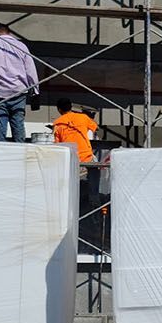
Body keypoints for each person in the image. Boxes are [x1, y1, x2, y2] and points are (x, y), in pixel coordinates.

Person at [51, 100, 107, 250]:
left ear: (59, 110)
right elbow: (96, 128)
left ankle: (68, 198)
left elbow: (58, 147)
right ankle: (94, 197)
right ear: (70, 107)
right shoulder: (82, 118)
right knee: (95, 168)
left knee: (68, 177)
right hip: (86, 156)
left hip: (71, 159)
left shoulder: (57, 124)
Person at [0, 24, 40, 141]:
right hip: (18, 90)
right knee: (18, 122)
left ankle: (1, 152)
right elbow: (30, 71)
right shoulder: (21, 46)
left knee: (0, 122)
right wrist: (35, 91)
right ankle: (19, 150)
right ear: (9, 33)